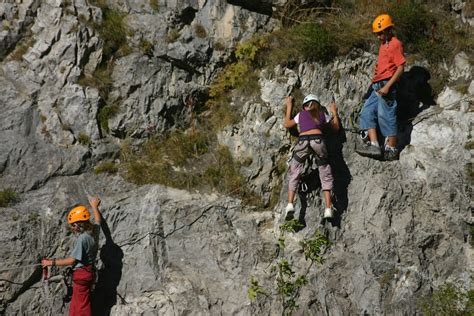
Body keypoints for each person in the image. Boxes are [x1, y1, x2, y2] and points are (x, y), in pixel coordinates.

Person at [357, 13, 406, 160]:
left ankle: (391, 148)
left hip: (387, 84)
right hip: (377, 84)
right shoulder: (383, 45)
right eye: (377, 34)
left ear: (388, 30)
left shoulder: (395, 44)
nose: (378, 36)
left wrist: (388, 86)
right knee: (367, 111)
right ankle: (374, 145)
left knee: (386, 115)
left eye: (380, 33)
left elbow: (401, 67)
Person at [42, 197, 102, 316]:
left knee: (81, 307)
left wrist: (50, 263)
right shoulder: (94, 231)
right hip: (89, 272)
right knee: (76, 305)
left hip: (81, 274)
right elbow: (98, 220)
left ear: (79, 224)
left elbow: (71, 260)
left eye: (73, 225)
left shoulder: (82, 239)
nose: (72, 228)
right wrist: (95, 206)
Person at [283, 94, 340, 220]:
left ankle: (290, 204)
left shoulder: (301, 114)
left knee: (294, 170)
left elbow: (287, 124)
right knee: (325, 172)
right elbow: (335, 128)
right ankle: (328, 208)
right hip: (318, 141)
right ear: (318, 105)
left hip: (303, 141)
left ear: (304, 107)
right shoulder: (322, 115)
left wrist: (289, 106)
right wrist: (334, 113)